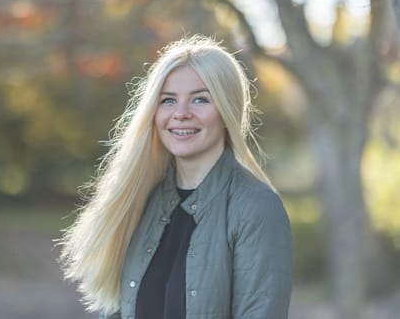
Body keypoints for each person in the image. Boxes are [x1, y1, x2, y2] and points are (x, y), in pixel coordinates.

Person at [58, 35, 293, 319]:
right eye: (168, 100)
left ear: (227, 110)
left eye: (200, 99)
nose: (181, 114)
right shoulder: (138, 199)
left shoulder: (256, 208)